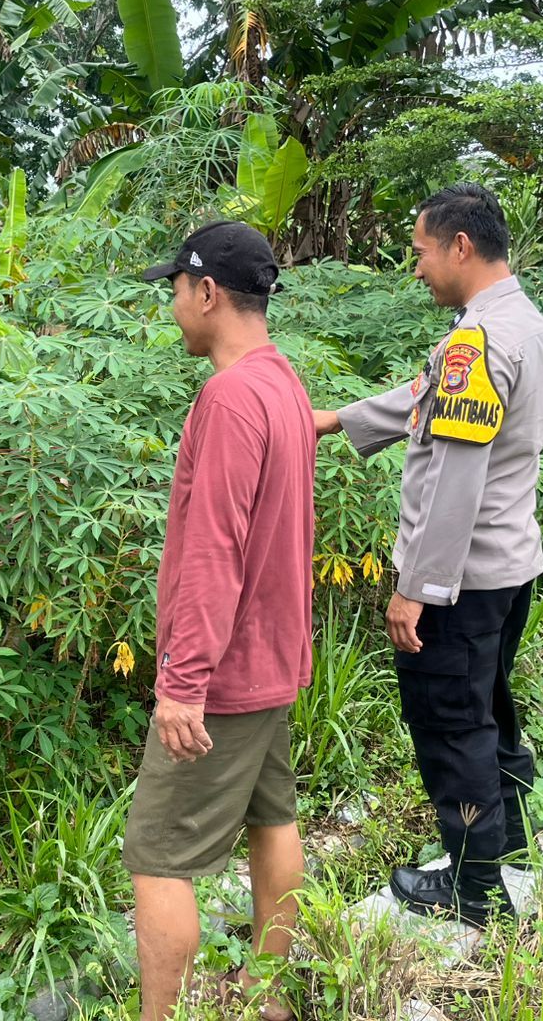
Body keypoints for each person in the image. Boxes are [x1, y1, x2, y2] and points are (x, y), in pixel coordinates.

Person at [314, 183, 543, 929]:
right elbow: (429, 398)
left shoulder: (475, 342)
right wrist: (338, 419)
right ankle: (510, 849)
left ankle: (475, 890)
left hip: (459, 583)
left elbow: (453, 478)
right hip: (506, 569)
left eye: (420, 252)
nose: (415, 267)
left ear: (460, 246)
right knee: (487, 710)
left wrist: (415, 588)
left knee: (453, 727)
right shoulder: (517, 322)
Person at [125, 220, 316, 1021]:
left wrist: (183, 682)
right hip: (273, 660)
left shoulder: (231, 397)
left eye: (175, 289)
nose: (173, 305)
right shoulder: (283, 381)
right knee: (274, 818)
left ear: (207, 293)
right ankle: (268, 998)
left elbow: (214, 550)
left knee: (157, 855)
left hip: (227, 676)